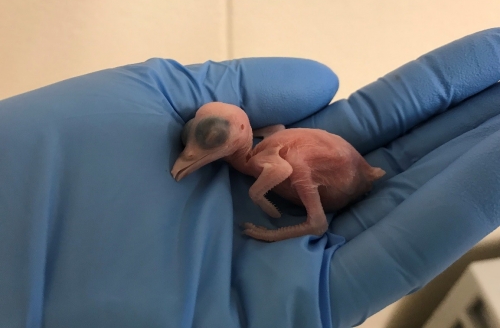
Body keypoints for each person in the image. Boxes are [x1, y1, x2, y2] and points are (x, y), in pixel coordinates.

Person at [0, 28, 498, 328]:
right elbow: (271, 138)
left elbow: (277, 165)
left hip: (337, 182)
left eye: (208, 145)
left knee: (305, 199)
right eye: (196, 144)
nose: (192, 157)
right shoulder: (253, 142)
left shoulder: (261, 158)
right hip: (312, 161)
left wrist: (266, 214)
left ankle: (296, 228)